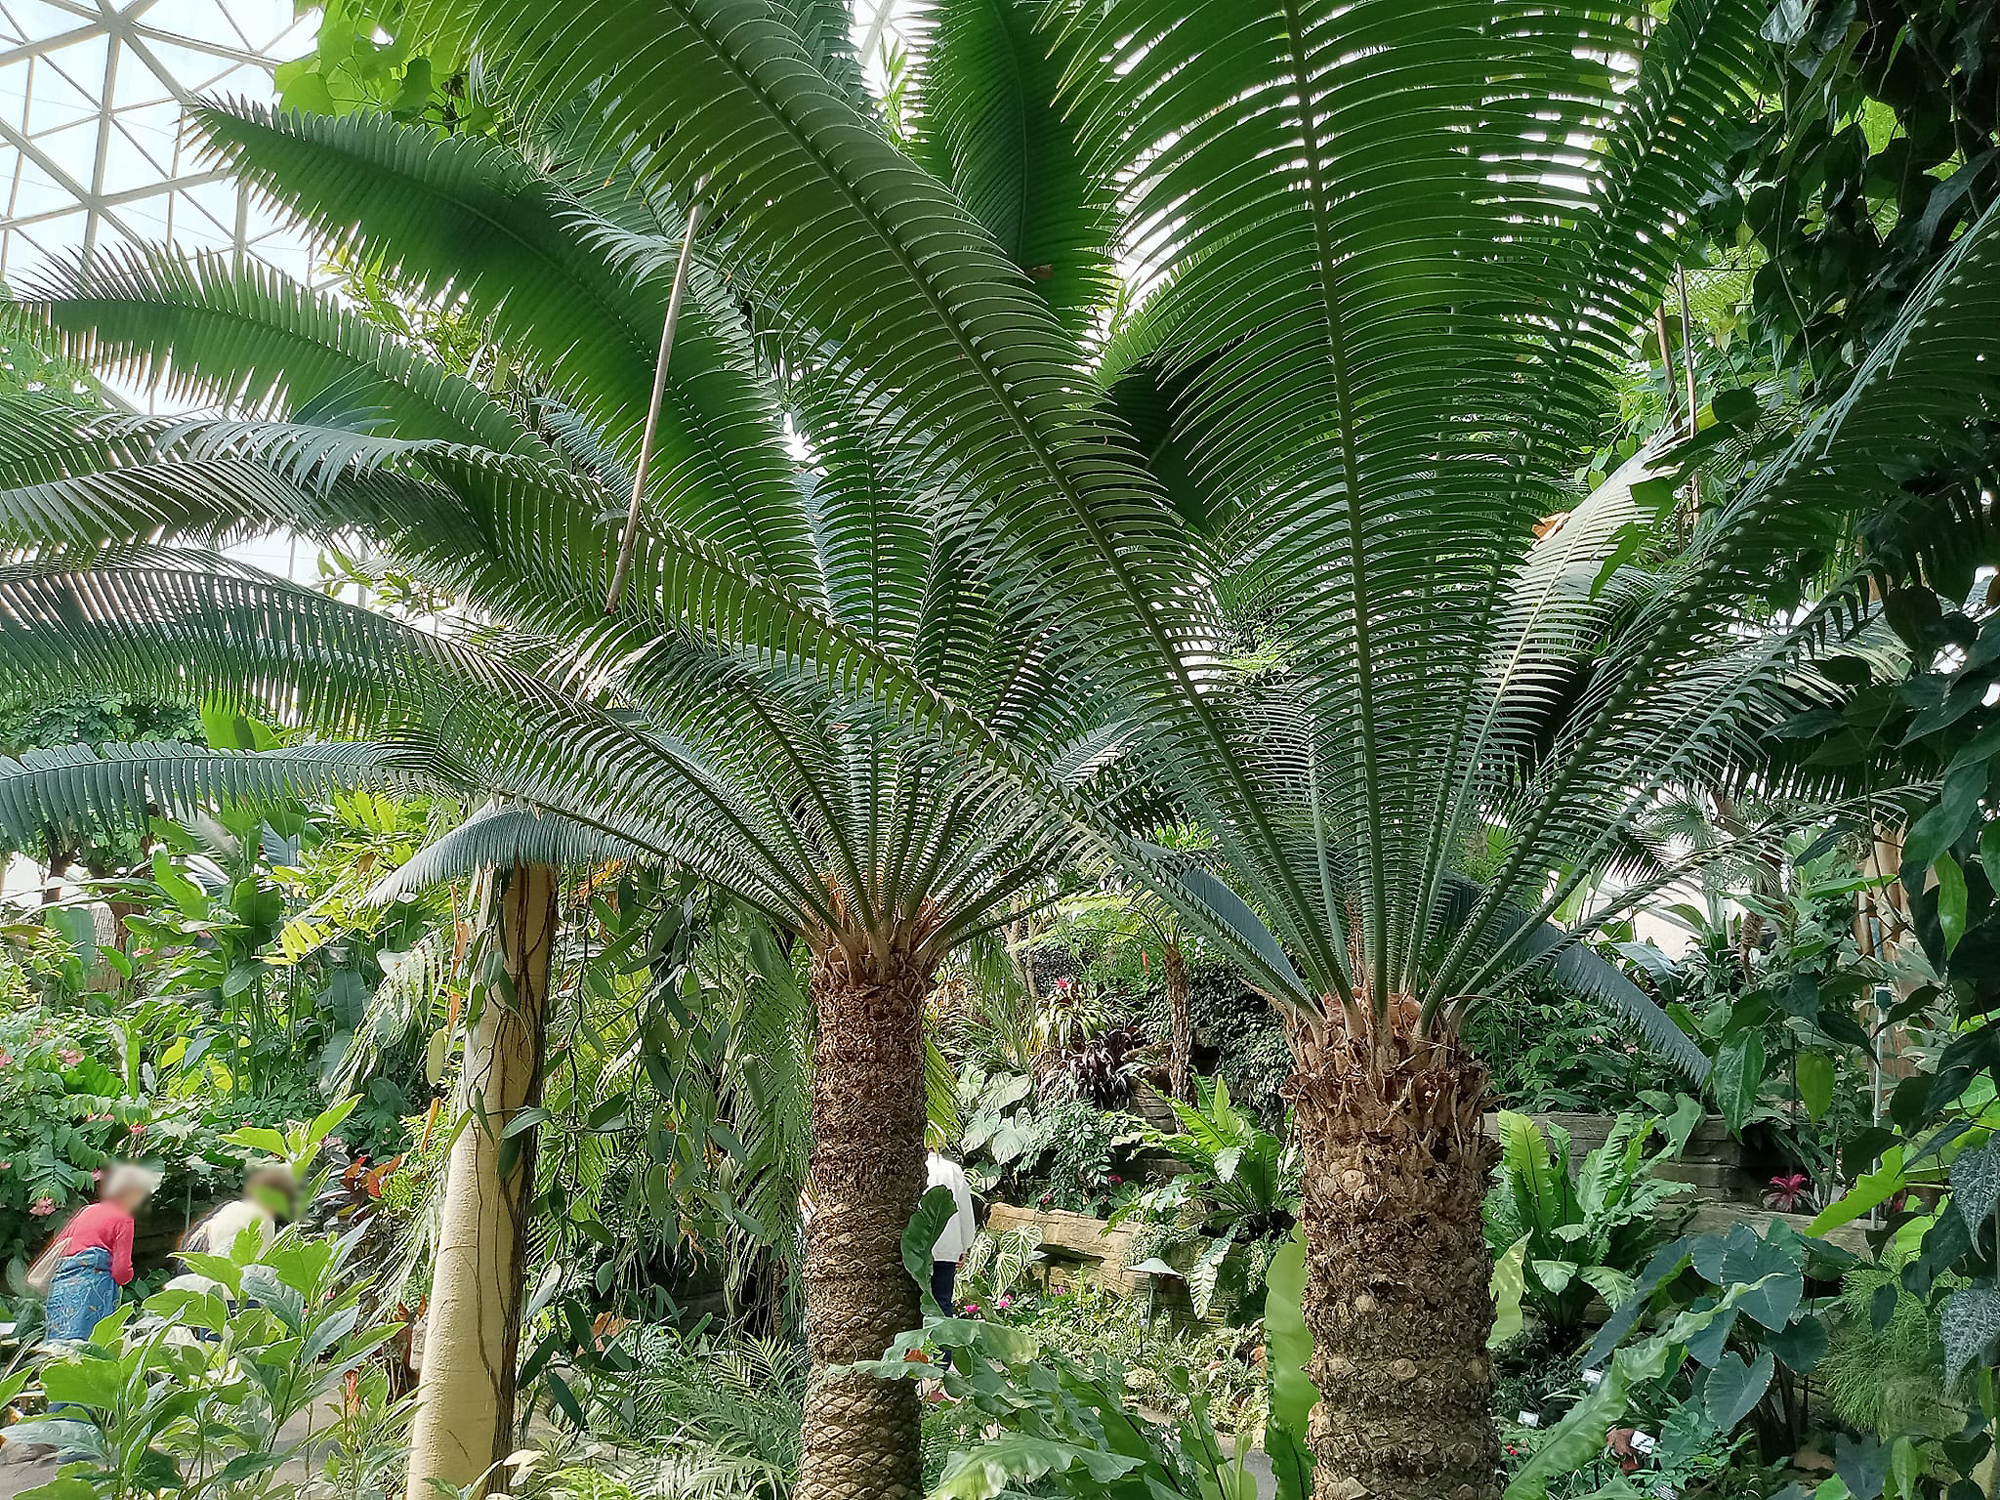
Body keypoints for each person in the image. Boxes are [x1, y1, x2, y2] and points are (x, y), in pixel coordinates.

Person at [40, 1164, 158, 1343]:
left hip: (62, 1288)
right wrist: (128, 1276)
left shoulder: (86, 1211)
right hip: (92, 1293)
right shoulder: (124, 1218)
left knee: (58, 1348)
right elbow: (121, 1272)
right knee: (88, 1349)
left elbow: (60, 1247)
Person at [925, 1143, 977, 1319]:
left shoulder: (914, 1167)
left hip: (918, 1247)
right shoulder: (953, 1170)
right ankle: (944, 1346)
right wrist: (964, 1246)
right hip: (947, 1248)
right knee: (942, 1303)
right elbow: (964, 1210)